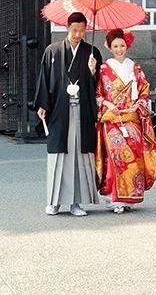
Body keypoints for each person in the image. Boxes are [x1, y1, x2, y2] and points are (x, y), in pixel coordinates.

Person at [34, 11, 102, 216]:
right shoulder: (52, 51)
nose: (78, 34)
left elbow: (98, 84)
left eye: (82, 31)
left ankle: (76, 203)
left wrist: (92, 72)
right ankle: (54, 201)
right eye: (74, 30)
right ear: (67, 28)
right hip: (59, 110)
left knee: (79, 156)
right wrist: (42, 105)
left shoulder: (92, 53)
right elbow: (44, 79)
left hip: (82, 109)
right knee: (58, 154)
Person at [95, 28, 156, 212]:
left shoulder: (135, 68)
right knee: (117, 156)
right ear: (109, 47)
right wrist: (108, 104)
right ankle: (115, 198)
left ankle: (130, 197)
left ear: (127, 45)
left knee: (135, 155)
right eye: (115, 46)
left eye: (122, 45)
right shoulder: (103, 69)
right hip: (113, 119)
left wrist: (138, 105)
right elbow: (98, 93)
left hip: (131, 118)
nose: (119, 49)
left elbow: (144, 90)